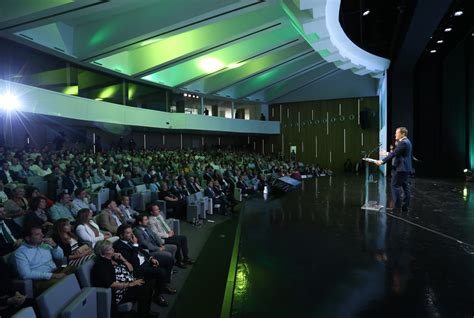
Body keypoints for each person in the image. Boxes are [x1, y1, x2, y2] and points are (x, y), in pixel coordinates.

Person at [113, 225, 176, 307]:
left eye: (132, 232)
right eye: (128, 233)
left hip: (146, 261)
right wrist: (135, 245)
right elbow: (133, 261)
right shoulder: (118, 246)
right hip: (138, 268)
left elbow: (141, 250)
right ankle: (157, 296)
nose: (132, 234)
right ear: (121, 235)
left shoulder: (130, 240)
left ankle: (164, 286)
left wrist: (150, 258)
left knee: (169, 260)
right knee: (161, 272)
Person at [91, 240, 157, 318]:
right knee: (145, 289)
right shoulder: (101, 266)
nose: (113, 250)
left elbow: (131, 268)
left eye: (112, 247)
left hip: (129, 281)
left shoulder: (113, 258)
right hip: (120, 292)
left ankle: (145, 311)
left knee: (150, 281)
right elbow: (111, 284)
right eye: (110, 249)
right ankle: (143, 314)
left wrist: (122, 258)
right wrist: (131, 284)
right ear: (102, 254)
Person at [14, 226, 73, 295]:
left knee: (75, 269)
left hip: (56, 270)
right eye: (37, 234)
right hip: (41, 280)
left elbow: (60, 257)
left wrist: (54, 245)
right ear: (28, 238)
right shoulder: (20, 252)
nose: (42, 235)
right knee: (63, 282)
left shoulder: (45, 244)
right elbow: (25, 274)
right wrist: (52, 275)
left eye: (41, 232)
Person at [376, 127, 412, 212]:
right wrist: (386, 153)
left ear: (402, 134)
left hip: (401, 168)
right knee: (405, 187)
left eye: (397, 133)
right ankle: (404, 207)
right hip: (405, 168)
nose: (395, 134)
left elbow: (395, 153)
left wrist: (382, 161)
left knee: (394, 186)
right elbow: (398, 153)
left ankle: (397, 207)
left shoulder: (403, 142)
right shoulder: (407, 142)